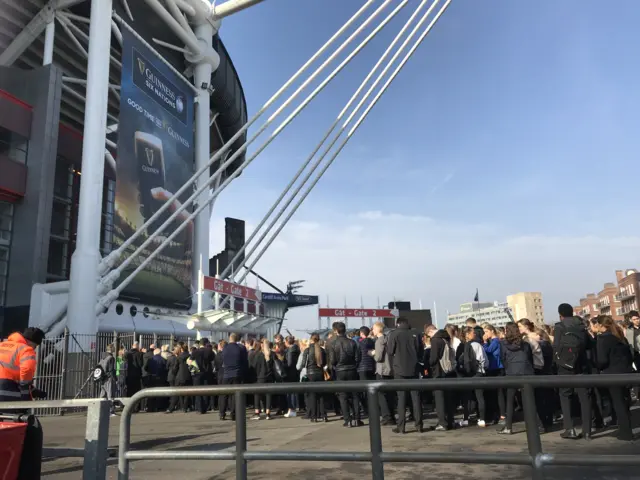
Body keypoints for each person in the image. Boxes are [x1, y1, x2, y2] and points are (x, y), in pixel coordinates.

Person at [0, 327, 46, 480]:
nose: (35, 349)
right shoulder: (26, 350)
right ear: (33, 343)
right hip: (8, 393)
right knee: (17, 426)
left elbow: (8, 370)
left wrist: (34, 390)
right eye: (36, 346)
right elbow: (26, 371)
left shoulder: (4, 344)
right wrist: (26, 389)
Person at [592, 315, 634, 441]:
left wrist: (596, 365)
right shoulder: (619, 335)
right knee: (624, 402)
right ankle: (626, 429)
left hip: (612, 374)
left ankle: (625, 432)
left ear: (600, 325)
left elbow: (602, 360)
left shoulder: (602, 338)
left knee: (618, 403)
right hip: (625, 372)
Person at [554, 303, 592, 440]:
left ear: (560, 314)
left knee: (565, 396)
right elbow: (590, 345)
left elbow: (556, 347)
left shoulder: (559, 326)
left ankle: (570, 429)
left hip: (565, 367)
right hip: (581, 365)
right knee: (584, 397)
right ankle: (587, 431)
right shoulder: (581, 326)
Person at [498, 322, 535, 435]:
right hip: (526, 372)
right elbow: (529, 357)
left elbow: (502, 358)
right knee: (529, 400)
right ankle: (535, 425)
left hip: (511, 373)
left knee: (510, 400)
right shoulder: (525, 344)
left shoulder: (503, 344)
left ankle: (508, 427)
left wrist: (508, 368)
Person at [388, 318, 423, 434]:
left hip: (399, 369)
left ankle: (401, 426)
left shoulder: (394, 334)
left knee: (401, 399)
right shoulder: (415, 334)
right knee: (416, 398)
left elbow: (390, 352)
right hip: (413, 369)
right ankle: (419, 425)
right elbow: (420, 351)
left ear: (397, 324)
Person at [329, 321, 362, 427]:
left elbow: (332, 360)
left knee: (343, 396)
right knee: (355, 395)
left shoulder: (333, 344)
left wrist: (335, 367)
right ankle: (357, 418)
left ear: (335, 331)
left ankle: (347, 419)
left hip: (340, 371)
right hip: (352, 370)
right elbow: (358, 358)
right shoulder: (353, 342)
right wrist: (354, 365)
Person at [219, 333, 247, 421]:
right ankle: (233, 414)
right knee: (235, 395)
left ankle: (222, 413)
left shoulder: (225, 348)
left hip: (226, 374)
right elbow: (245, 361)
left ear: (229, 338)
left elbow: (222, 360)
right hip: (237, 374)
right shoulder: (241, 348)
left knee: (224, 395)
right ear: (237, 339)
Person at [300, 333, 327, 422]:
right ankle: (324, 415)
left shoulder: (307, 350)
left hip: (310, 374)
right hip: (320, 373)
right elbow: (325, 363)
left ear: (311, 340)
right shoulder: (322, 350)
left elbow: (303, 364)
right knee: (321, 396)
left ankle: (314, 416)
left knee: (312, 396)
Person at [372, 321, 395, 426]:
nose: (372, 330)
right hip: (390, 369)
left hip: (382, 370)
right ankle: (391, 415)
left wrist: (372, 353)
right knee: (390, 395)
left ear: (378, 329)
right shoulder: (388, 339)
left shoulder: (379, 341)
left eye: (373, 328)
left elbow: (378, 357)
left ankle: (386, 417)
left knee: (382, 396)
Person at [99, 344, 117, 416]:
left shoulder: (103, 357)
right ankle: (111, 411)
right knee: (110, 394)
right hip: (109, 378)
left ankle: (101, 409)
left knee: (103, 394)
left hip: (103, 378)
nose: (115, 349)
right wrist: (115, 378)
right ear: (112, 349)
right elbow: (111, 370)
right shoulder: (111, 358)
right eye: (114, 348)